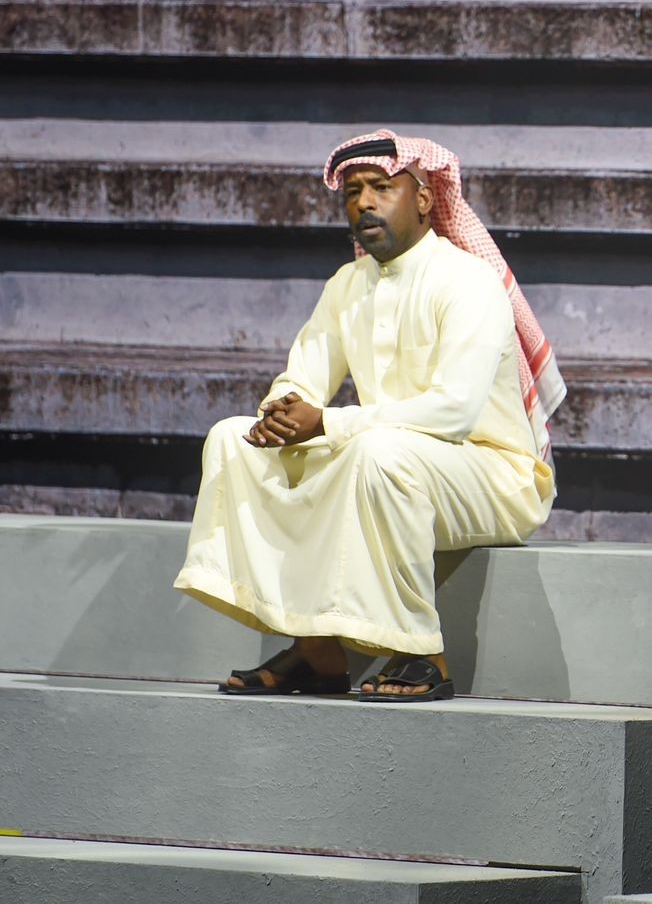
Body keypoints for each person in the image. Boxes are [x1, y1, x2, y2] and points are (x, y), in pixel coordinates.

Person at [174, 130, 565, 702]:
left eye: (381, 187)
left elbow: (454, 412)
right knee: (233, 439)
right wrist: (279, 412)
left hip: (492, 475)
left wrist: (327, 423)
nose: (364, 202)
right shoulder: (347, 284)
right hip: (388, 461)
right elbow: (303, 376)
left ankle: (422, 652)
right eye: (353, 192)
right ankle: (316, 650)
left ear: (425, 199)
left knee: (377, 451)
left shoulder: (468, 281)